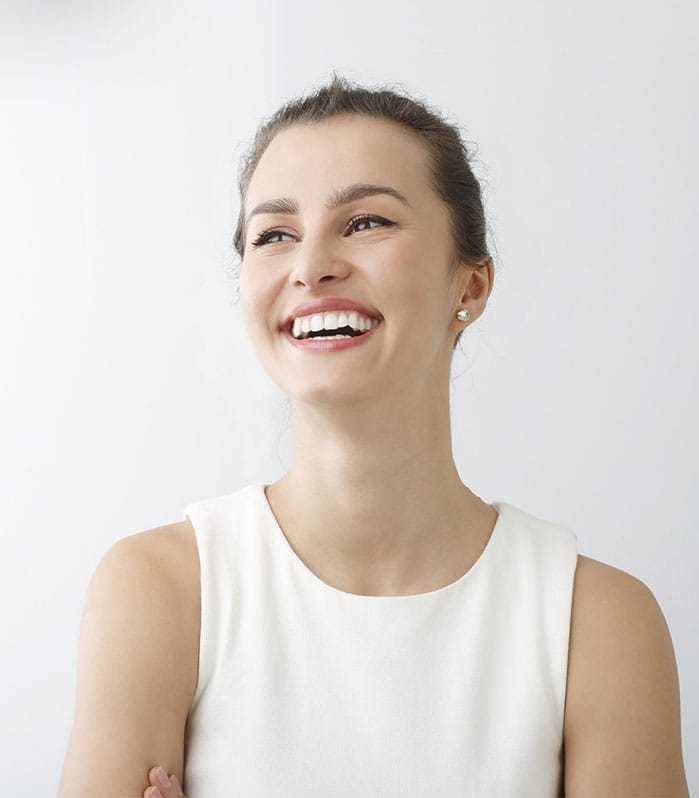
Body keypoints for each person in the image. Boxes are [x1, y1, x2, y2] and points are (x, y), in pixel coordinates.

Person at [58, 73, 689, 797]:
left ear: (470, 286)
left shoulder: (597, 623)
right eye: (274, 235)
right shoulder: (160, 591)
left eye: (366, 223)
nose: (310, 266)